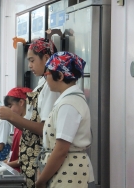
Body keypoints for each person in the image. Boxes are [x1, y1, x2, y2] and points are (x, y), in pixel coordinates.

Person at [0, 38, 60, 187]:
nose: (29, 65)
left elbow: (44, 129)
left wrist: (11, 116)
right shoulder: (41, 84)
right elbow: (29, 123)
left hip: (39, 159)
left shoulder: (50, 88)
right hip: (30, 161)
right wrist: (9, 117)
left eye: (32, 60)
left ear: (46, 58)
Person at [35, 51, 94, 188]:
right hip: (65, 171)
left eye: (47, 74)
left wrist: (41, 181)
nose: (45, 78)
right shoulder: (68, 100)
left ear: (60, 76)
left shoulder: (69, 104)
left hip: (69, 173)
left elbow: (61, 150)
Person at [3, 87, 32, 172]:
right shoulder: (17, 124)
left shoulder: (28, 125)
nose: (9, 110)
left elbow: (26, 157)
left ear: (21, 102)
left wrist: (7, 164)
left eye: (10, 106)